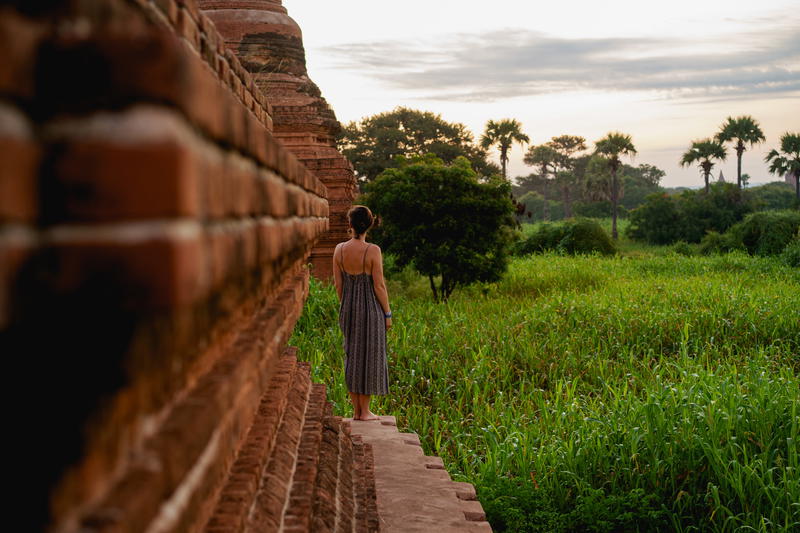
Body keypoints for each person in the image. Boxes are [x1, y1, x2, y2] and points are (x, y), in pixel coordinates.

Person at [333, 205, 391, 421]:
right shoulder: (372, 250)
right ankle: (365, 411)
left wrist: (347, 306)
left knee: (352, 355)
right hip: (371, 309)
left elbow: (338, 285)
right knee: (370, 357)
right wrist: (387, 313)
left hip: (347, 308)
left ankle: (356, 410)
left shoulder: (339, 250)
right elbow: (379, 286)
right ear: (369, 224)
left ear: (350, 224)